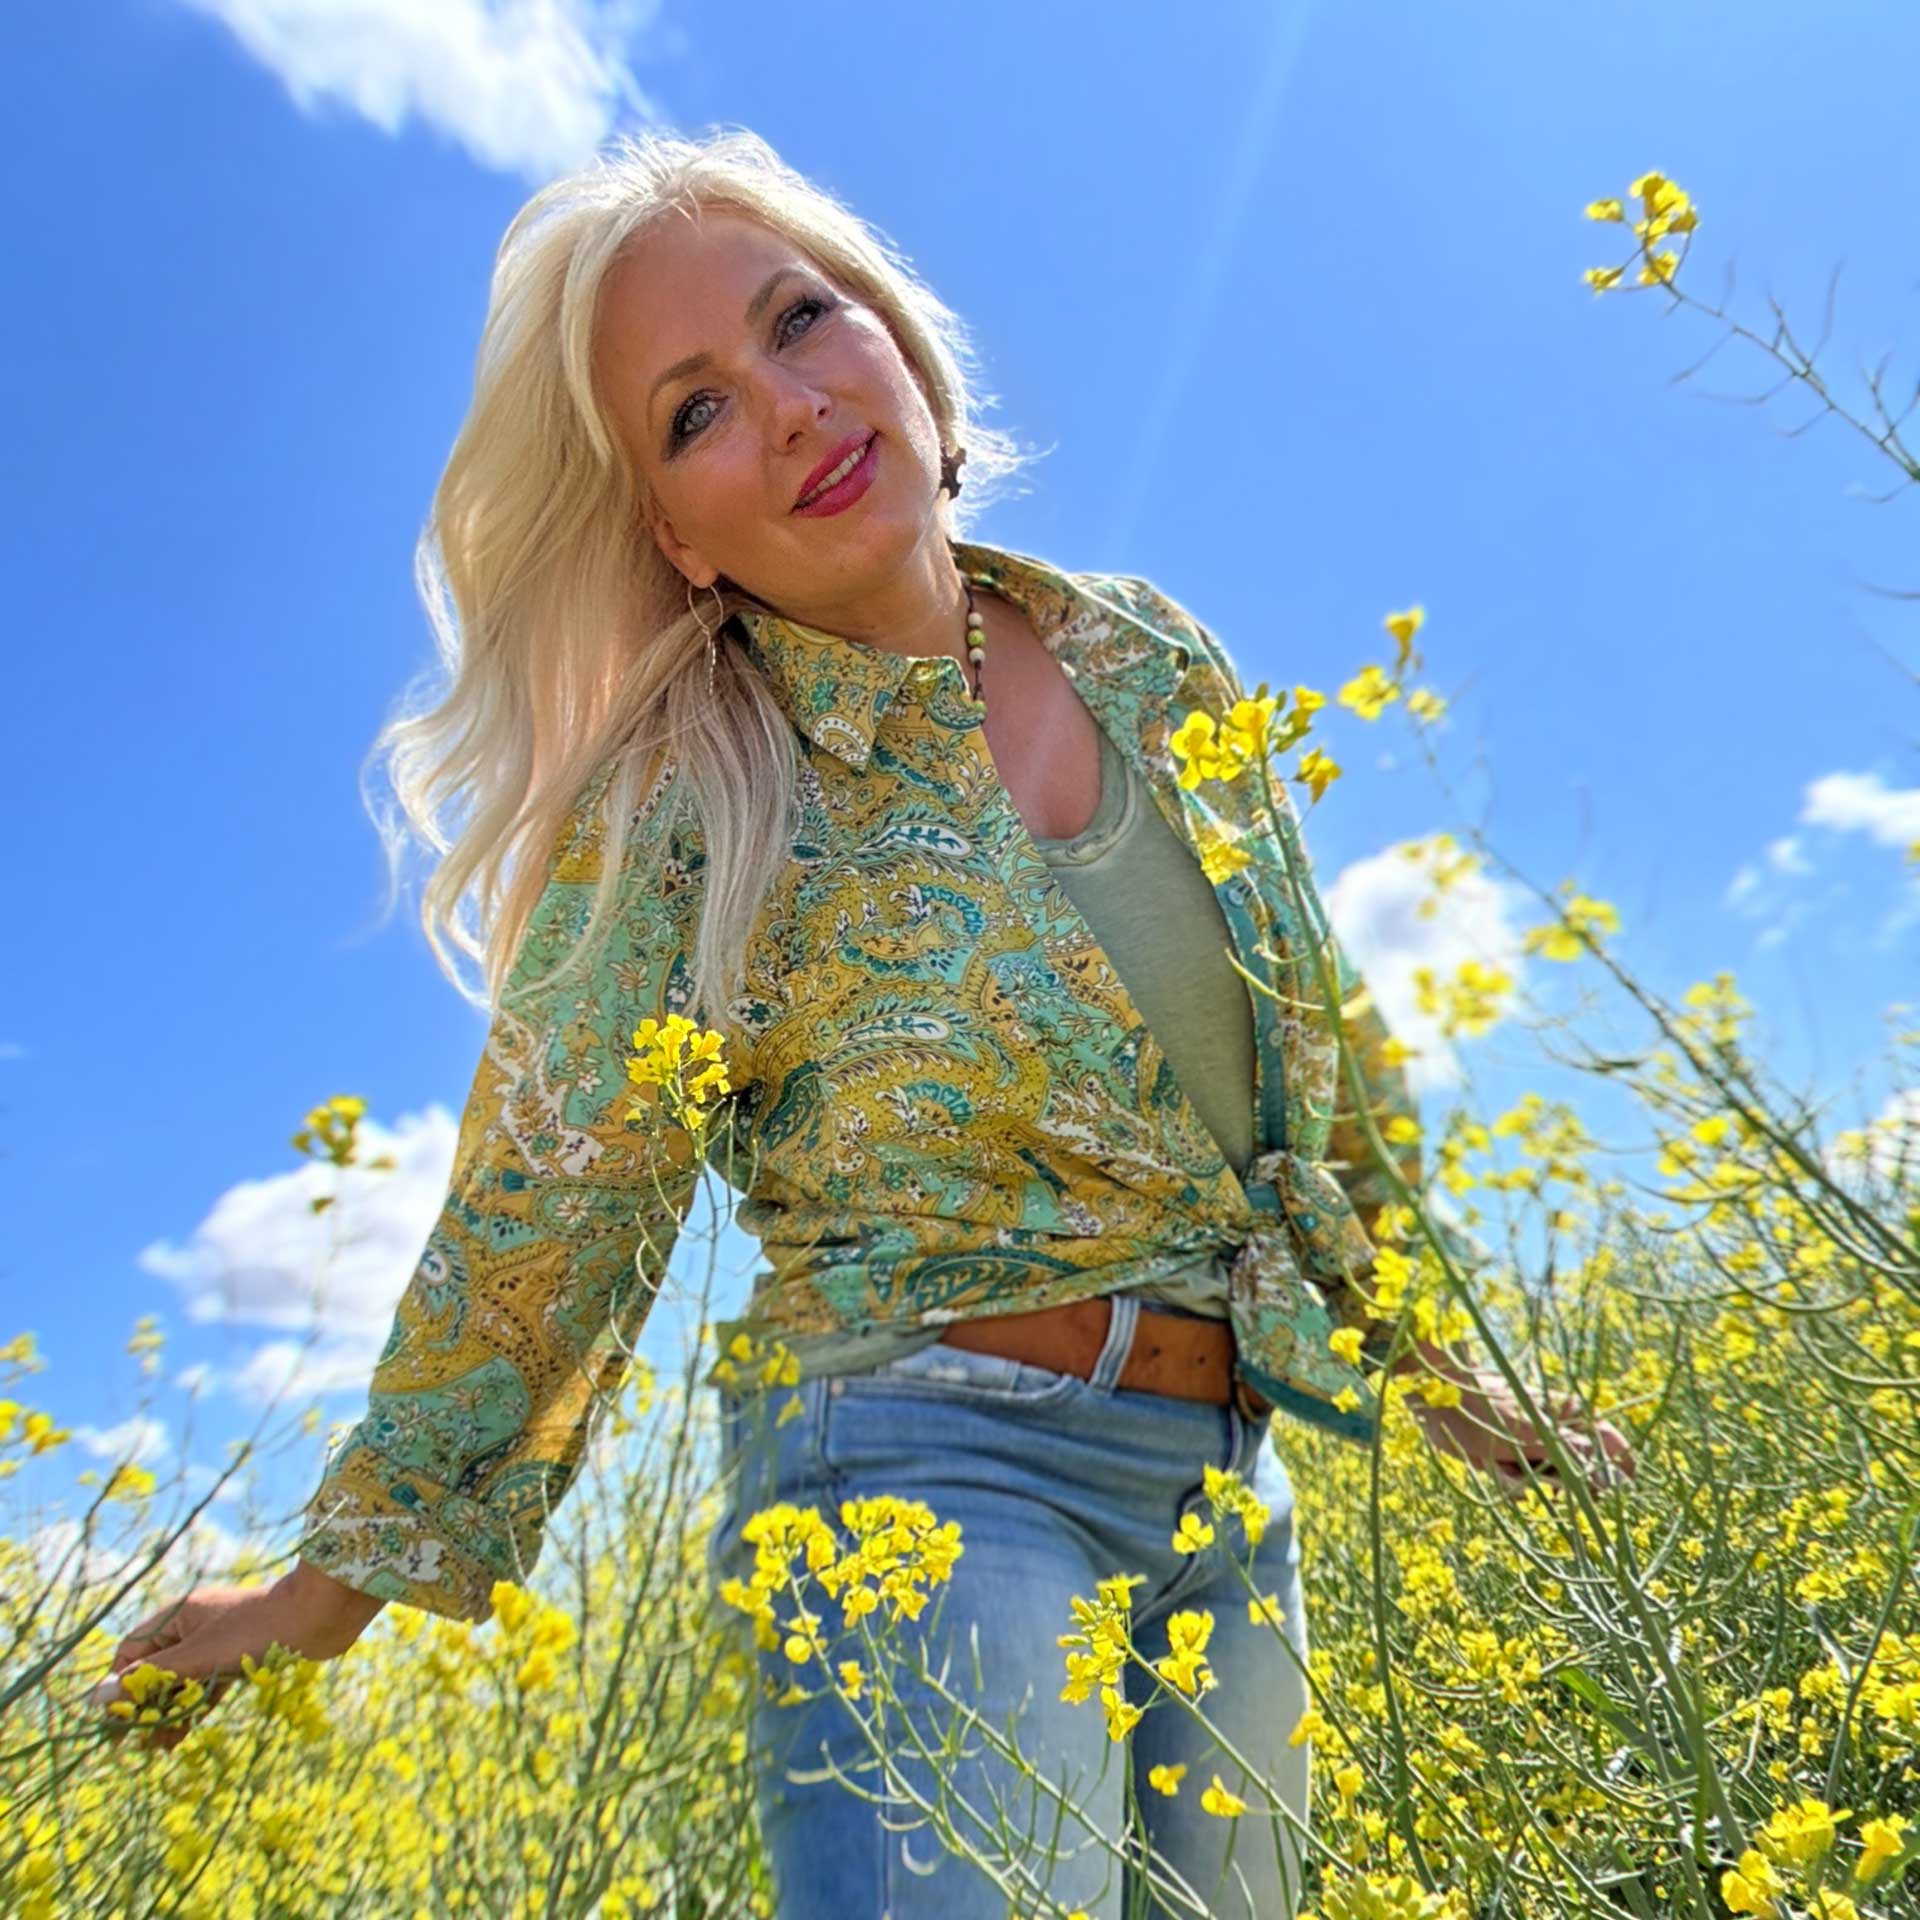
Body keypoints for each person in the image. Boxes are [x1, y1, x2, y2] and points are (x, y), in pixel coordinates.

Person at [93, 127, 1637, 1913]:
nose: (794, 406)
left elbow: (1313, 1060)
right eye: (694, 412)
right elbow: (550, 1204)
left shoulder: (1148, 652)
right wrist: (320, 1595)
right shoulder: (691, 791)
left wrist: (1460, 1378)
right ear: (671, 536)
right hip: (921, 1473)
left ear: (895, 336)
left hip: (1229, 1482)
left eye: (801, 322)